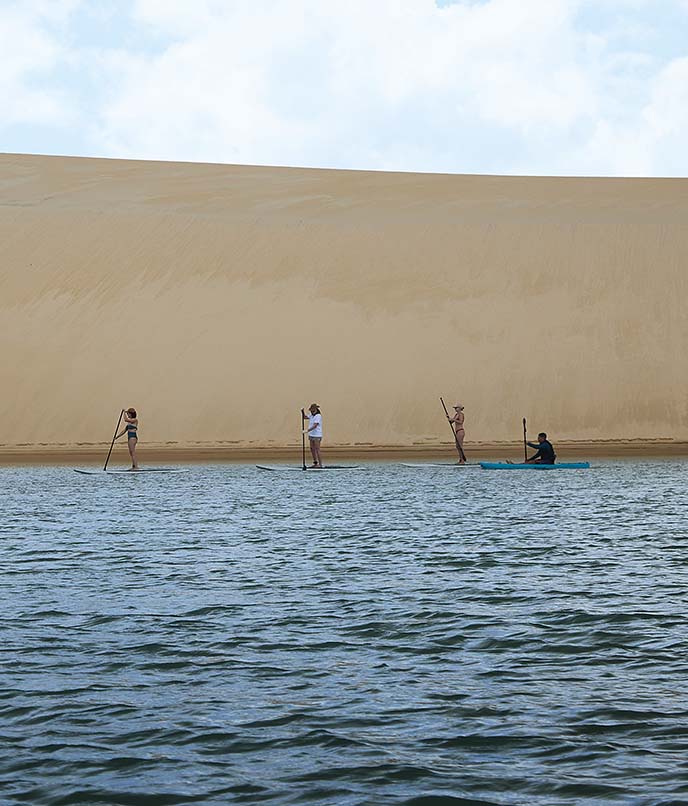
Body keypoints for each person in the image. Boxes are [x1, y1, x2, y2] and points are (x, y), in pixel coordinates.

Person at [301, 403, 323, 468]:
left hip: (317, 435)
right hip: (311, 435)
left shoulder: (318, 416)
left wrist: (307, 430)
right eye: (311, 410)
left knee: (317, 449)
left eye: (312, 410)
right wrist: (302, 412)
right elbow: (305, 417)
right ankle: (315, 462)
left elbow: (315, 425)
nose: (311, 411)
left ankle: (320, 464)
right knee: (312, 448)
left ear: (316, 409)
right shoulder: (311, 415)